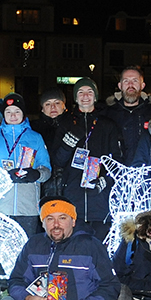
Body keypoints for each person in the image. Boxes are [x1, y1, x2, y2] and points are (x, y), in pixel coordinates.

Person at [49, 78, 122, 239]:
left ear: (95, 97)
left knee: (101, 248)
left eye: (89, 92)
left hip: (100, 199)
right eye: (80, 92)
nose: (85, 96)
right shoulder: (66, 123)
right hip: (74, 197)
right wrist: (68, 144)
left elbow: (117, 161)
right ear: (75, 98)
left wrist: (106, 180)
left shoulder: (107, 124)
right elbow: (57, 161)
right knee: (76, 247)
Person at [0, 92, 52, 238]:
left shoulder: (35, 137)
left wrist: (36, 174)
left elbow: (46, 169)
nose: (13, 115)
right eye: (8, 112)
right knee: (2, 255)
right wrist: (2, 176)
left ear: (23, 114)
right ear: (3, 115)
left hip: (28, 207)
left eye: (17, 111)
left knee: (25, 253)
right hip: (0, 207)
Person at [104, 65, 151, 165]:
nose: (130, 84)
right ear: (120, 85)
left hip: (147, 173)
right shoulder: (108, 114)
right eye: (126, 81)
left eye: (135, 80)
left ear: (142, 85)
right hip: (117, 174)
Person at [32, 87, 67, 200]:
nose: (53, 107)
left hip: (68, 186)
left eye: (57, 102)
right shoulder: (34, 130)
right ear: (42, 109)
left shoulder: (73, 127)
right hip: (41, 187)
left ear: (64, 106)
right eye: (48, 104)